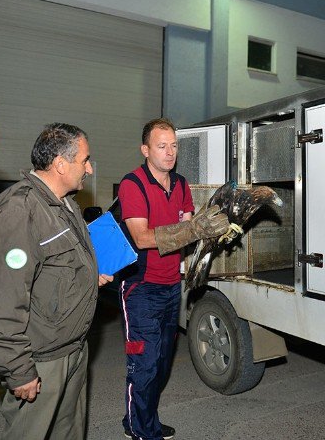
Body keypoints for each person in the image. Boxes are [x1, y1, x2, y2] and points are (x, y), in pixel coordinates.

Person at [0, 123, 112, 439]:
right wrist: (19, 369)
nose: (89, 168)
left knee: (68, 432)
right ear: (61, 165)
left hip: (72, 348)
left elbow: (58, 265)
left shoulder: (64, 203)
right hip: (41, 358)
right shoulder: (20, 210)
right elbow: (1, 298)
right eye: (85, 160)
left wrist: (90, 275)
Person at [118, 118, 230, 440]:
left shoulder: (180, 185)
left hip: (171, 287)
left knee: (163, 362)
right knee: (145, 362)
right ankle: (141, 430)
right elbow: (141, 237)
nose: (170, 153)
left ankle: (143, 420)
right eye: (161, 146)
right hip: (141, 288)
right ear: (145, 149)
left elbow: (188, 229)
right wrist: (193, 229)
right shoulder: (133, 184)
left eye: (174, 146)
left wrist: (210, 232)